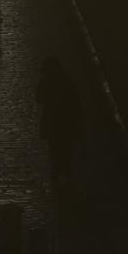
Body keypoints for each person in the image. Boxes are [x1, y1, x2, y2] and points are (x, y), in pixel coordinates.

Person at [36, 56, 82, 185]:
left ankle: (56, 171)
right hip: (65, 120)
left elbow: (38, 98)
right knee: (65, 146)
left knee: (54, 147)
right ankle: (65, 171)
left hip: (52, 120)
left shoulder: (46, 80)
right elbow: (76, 100)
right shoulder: (66, 80)